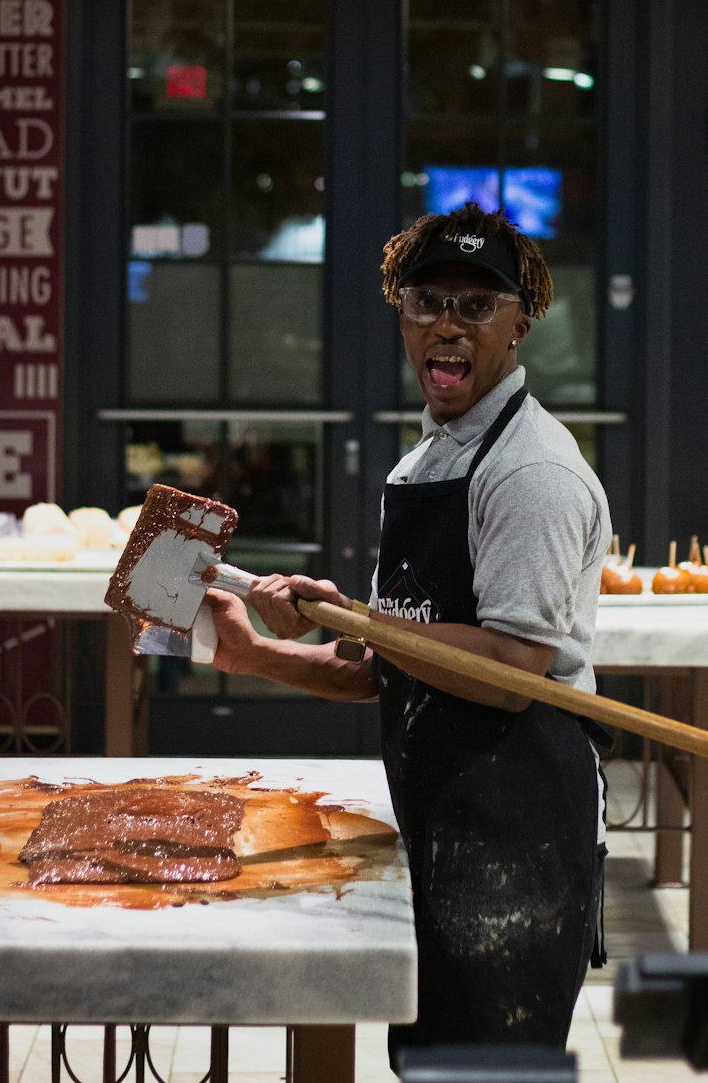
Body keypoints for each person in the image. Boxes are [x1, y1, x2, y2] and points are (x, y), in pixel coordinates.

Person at [208, 201, 612, 1063]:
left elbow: (507, 669)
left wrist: (366, 622)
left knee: (489, 1071)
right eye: (425, 302)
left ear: (521, 324)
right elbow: (393, 667)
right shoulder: (430, 459)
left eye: (477, 305)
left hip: (518, 825)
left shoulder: (529, 471)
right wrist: (256, 653)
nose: (447, 326)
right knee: (427, 1061)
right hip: (441, 804)